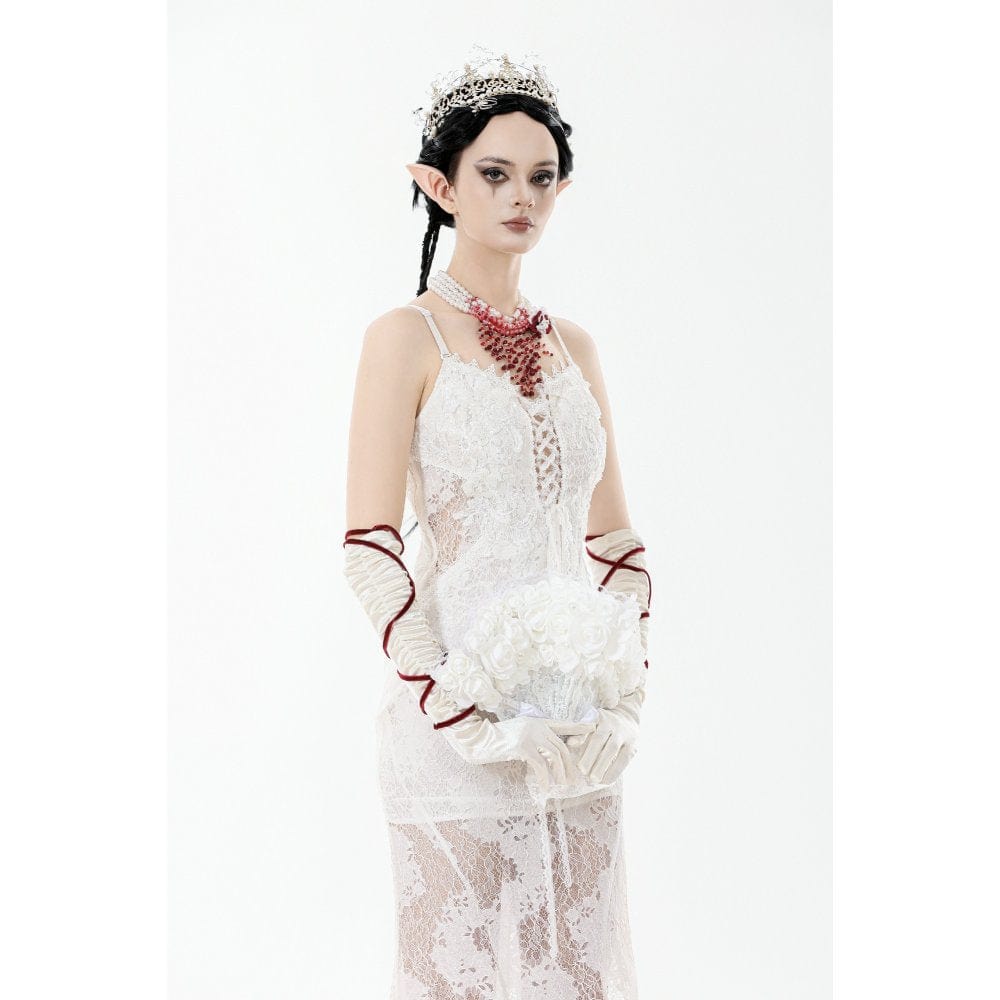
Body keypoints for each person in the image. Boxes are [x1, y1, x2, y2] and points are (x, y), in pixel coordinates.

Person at [343, 47, 653, 998]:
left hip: (574, 732)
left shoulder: (576, 348)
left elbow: (617, 548)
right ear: (439, 185)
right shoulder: (406, 338)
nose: (523, 196)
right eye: (494, 174)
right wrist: (460, 714)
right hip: (453, 731)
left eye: (542, 177)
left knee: (581, 978)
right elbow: (370, 552)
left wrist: (626, 701)